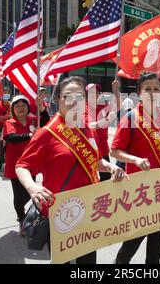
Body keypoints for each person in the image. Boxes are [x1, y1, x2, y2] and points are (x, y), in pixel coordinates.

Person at [16, 76, 127, 264]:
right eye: (68, 96)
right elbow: (22, 165)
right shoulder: (47, 133)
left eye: (80, 96)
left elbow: (95, 160)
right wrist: (32, 187)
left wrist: (109, 166)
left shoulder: (87, 129)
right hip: (61, 213)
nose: (74, 101)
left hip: (89, 209)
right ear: (58, 99)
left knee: (88, 262)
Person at [110, 72, 160, 264]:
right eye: (147, 89)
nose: (152, 93)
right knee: (134, 238)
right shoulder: (131, 118)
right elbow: (115, 151)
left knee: (157, 237)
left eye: (156, 89)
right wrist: (135, 159)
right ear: (139, 93)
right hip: (140, 190)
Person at [2, 95, 38, 235]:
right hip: (15, 164)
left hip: (31, 162)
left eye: (23, 105)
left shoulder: (34, 120)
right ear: (13, 109)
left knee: (30, 191)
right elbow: (11, 138)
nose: (21, 108)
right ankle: (22, 220)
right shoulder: (10, 123)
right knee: (18, 193)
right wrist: (30, 135)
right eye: (17, 106)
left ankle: (23, 212)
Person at [85, 81, 121, 182]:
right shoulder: (83, 109)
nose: (94, 94)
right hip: (89, 150)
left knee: (106, 177)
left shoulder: (103, 107)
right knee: (88, 178)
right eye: (91, 92)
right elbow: (90, 126)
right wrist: (107, 120)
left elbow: (117, 107)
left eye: (96, 92)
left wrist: (116, 91)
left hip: (103, 149)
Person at [0, 88, 11, 171]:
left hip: (10, 127)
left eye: (8, 92)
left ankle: (8, 162)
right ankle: (1, 162)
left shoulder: (11, 105)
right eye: (5, 92)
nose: (7, 94)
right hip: (1, 128)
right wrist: (7, 117)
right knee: (1, 145)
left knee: (9, 146)